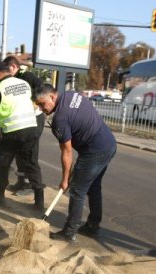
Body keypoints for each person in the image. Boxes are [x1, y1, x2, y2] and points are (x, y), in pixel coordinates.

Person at [34, 84, 116, 242]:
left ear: (52, 96)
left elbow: (67, 152)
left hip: (95, 151)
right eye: (38, 105)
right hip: (109, 143)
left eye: (42, 104)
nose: (41, 109)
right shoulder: (71, 95)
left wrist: (65, 180)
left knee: (77, 190)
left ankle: (69, 232)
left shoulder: (60, 119)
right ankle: (93, 225)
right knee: (93, 186)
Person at [0, 62, 44, 211]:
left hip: (12, 132)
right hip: (31, 128)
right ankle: (39, 202)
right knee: (31, 164)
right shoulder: (23, 83)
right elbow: (33, 103)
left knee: (4, 165)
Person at [3, 56, 45, 195]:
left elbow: (42, 88)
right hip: (23, 120)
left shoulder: (27, 76)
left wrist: (34, 101)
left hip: (35, 118)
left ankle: (32, 186)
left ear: (14, 67)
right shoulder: (12, 80)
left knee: (30, 153)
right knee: (19, 153)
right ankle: (21, 182)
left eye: (7, 70)